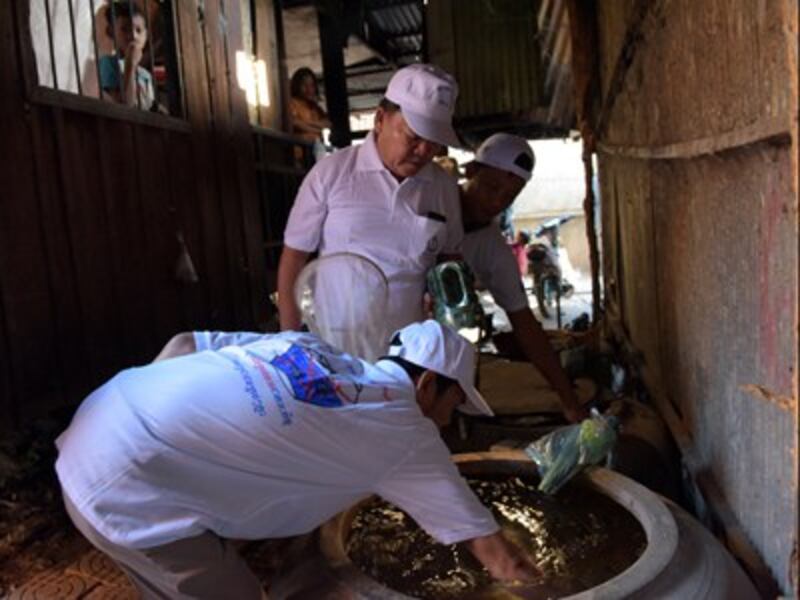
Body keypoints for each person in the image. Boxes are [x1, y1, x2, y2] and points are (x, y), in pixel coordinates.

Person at [55, 321, 540, 597]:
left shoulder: (307, 346)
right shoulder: (406, 430)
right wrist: (542, 586)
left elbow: (183, 345)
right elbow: (493, 552)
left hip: (95, 420)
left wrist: (167, 437)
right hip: (120, 490)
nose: (444, 425)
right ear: (428, 385)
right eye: (452, 408)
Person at [278, 64, 464, 341]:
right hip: (336, 346)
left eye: (434, 142)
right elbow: (294, 258)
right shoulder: (332, 173)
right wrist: (290, 342)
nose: (424, 151)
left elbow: (449, 261)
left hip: (408, 350)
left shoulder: (443, 187)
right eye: (414, 137)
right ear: (380, 119)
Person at [460, 133, 587, 422]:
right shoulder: (426, 201)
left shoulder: (493, 251)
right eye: (490, 187)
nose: (496, 202)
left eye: (508, 196)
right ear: (471, 172)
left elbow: (525, 325)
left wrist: (568, 400)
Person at [100, 1, 155, 110]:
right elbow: (124, 107)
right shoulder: (108, 63)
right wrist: (131, 64)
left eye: (139, 30)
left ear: (146, 36)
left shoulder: (145, 75)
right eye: (125, 29)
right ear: (111, 32)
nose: (134, 36)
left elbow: (149, 107)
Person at [288, 67, 331, 162]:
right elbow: (295, 123)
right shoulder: (292, 103)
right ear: (296, 85)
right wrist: (318, 128)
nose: (309, 89)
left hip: (316, 152)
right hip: (300, 154)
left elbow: (328, 124)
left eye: (311, 85)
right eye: (304, 85)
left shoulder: (315, 107)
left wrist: (305, 123)